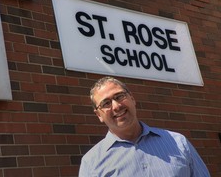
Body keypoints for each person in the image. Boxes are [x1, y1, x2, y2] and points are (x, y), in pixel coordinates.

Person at [79, 76, 210, 177]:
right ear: (99, 115)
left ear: (132, 99)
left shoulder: (179, 143)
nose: (116, 106)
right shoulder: (91, 162)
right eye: (106, 103)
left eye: (119, 96)